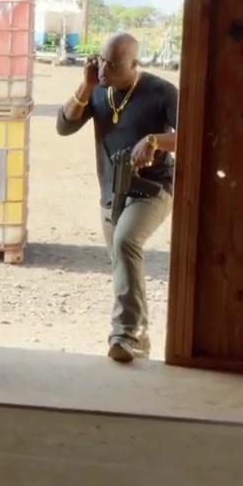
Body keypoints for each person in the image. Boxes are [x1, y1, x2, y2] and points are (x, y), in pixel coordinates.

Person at [55, 32, 177, 363]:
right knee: (122, 262)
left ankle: (124, 334)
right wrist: (85, 85)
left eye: (114, 64)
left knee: (125, 242)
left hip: (153, 189)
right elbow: (64, 126)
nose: (104, 69)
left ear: (135, 64)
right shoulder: (97, 89)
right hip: (112, 190)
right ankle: (140, 338)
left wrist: (154, 140)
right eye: (102, 60)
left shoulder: (161, 92)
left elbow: (193, 134)